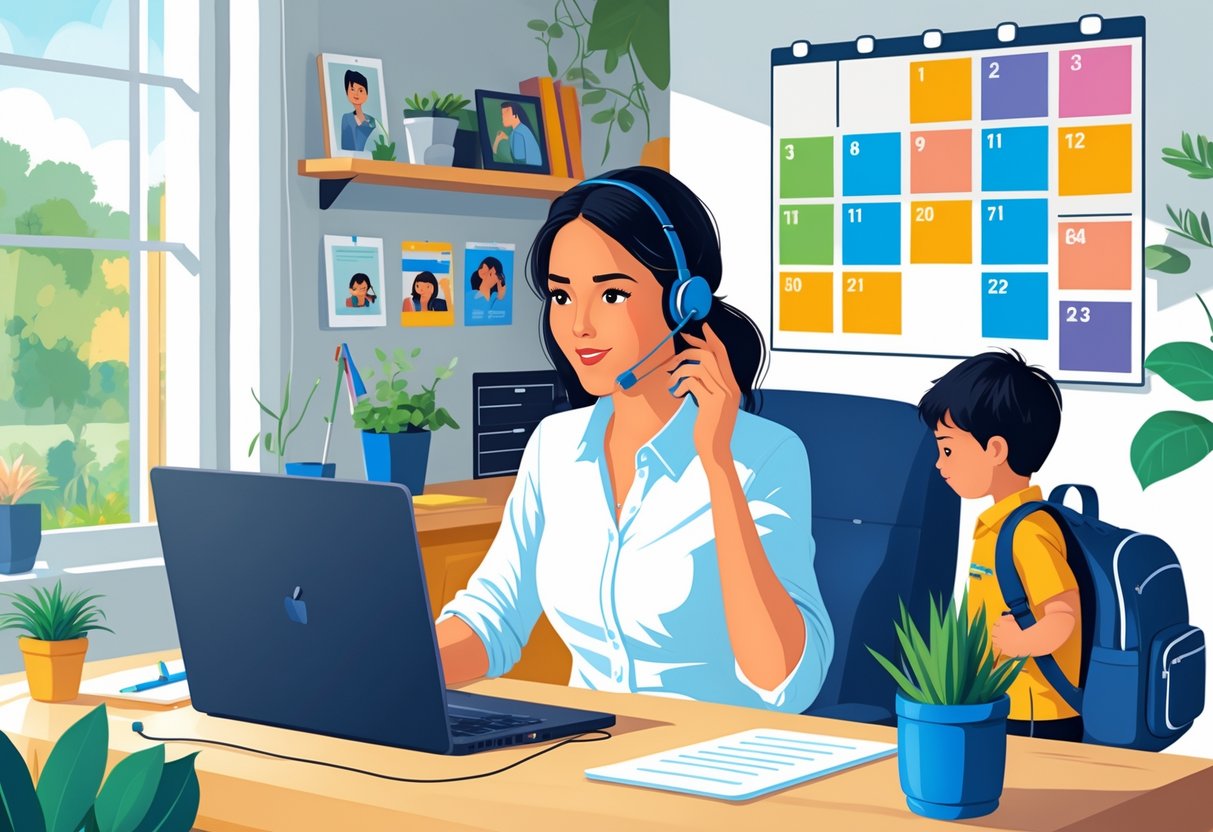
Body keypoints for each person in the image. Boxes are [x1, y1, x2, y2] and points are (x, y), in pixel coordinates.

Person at [435, 166, 833, 713]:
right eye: (562, 296)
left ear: (684, 301)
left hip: (722, 767)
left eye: (612, 295)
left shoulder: (765, 455)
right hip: (584, 757)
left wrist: (717, 464)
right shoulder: (555, 446)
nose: (579, 327)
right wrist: (389, 675)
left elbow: (784, 681)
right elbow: (495, 615)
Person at [918, 350, 1082, 742]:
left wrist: (1021, 641)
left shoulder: (1028, 532)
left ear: (995, 450)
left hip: (1037, 713)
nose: (940, 463)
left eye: (948, 449)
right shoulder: (998, 525)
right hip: (1003, 701)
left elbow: (1065, 614)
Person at [492, 101, 542, 166]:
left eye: (505, 114)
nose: (503, 117)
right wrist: (505, 137)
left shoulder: (517, 134)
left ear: (515, 115)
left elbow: (519, 162)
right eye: (502, 114)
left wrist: (496, 142)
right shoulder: (523, 129)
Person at [339, 69, 377, 152]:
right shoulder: (346, 118)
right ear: (347, 92)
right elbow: (345, 146)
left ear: (366, 94)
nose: (356, 94)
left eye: (360, 90)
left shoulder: (372, 120)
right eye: (352, 89)